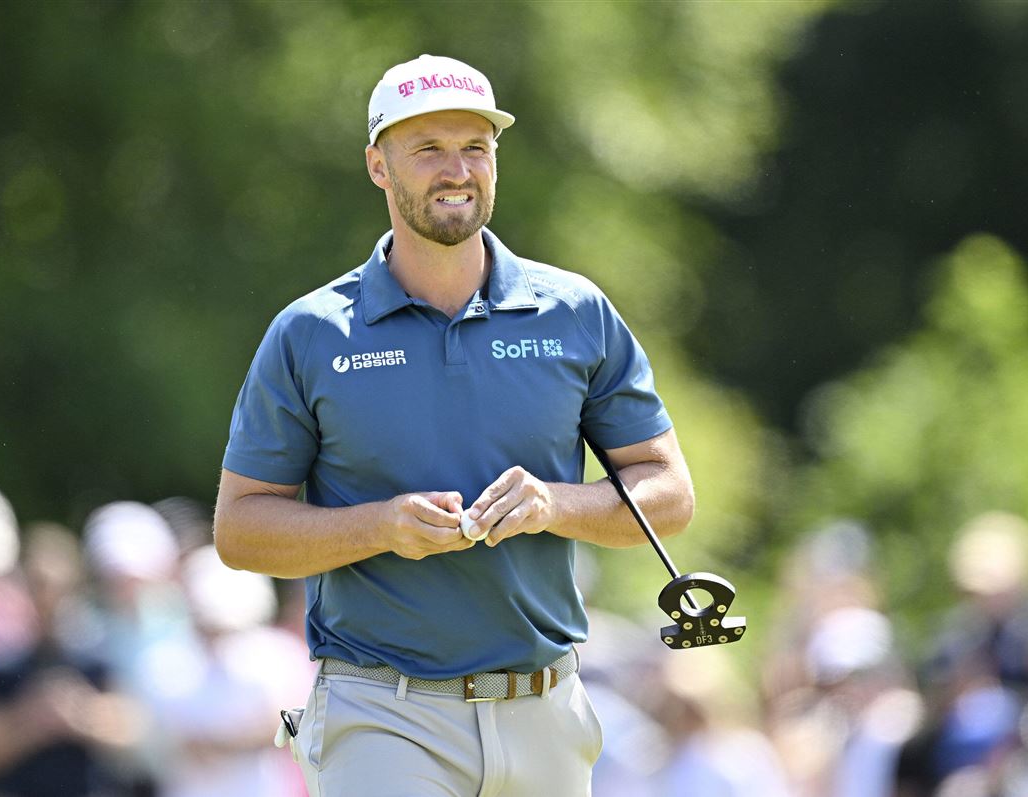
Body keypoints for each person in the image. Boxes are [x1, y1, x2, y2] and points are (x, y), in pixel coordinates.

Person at [213, 53, 695, 796]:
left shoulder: (575, 313)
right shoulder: (310, 333)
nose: (457, 170)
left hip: (546, 710)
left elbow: (668, 494)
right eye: (428, 148)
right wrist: (380, 526)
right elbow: (240, 528)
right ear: (379, 166)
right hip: (382, 711)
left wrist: (554, 506)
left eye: (475, 146)